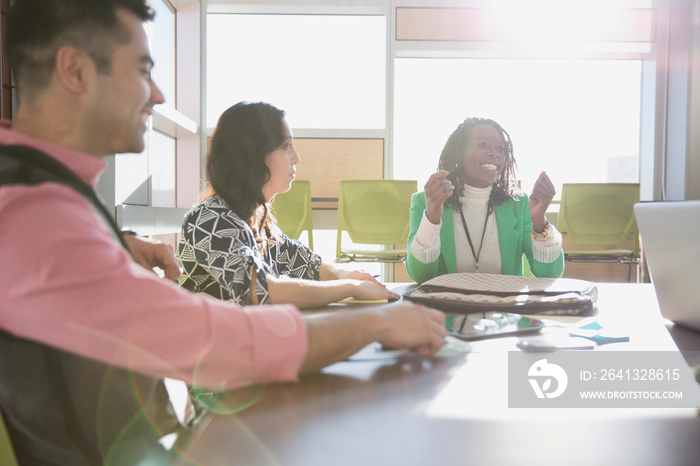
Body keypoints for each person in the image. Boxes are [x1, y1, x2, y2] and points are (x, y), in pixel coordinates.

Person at [0, 1, 446, 463]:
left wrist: (116, 241)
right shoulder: (39, 217)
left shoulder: (46, 193)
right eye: (141, 69)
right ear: (74, 70)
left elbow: (304, 266)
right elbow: (225, 341)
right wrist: (376, 323)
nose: (156, 94)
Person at [178, 101, 397, 309]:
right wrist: (351, 287)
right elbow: (263, 291)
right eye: (286, 146)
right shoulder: (208, 219)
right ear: (252, 156)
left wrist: (343, 274)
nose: (296, 158)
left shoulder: (258, 219)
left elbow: (307, 264)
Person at [406, 117, 564, 283]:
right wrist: (431, 217)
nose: (495, 153)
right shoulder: (425, 203)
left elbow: (549, 274)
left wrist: (539, 222)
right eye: (482, 145)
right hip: (448, 307)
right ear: (459, 154)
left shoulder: (518, 204)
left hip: (504, 306)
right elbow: (421, 276)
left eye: (500, 148)